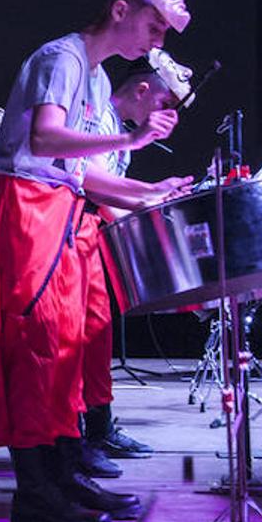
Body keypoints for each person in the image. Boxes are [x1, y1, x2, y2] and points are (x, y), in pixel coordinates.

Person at [0, 0, 191, 522]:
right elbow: (44, 139)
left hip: (57, 210)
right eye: (154, 25)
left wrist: (149, 190)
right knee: (34, 345)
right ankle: (36, 492)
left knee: (66, 349)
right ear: (121, 10)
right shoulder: (61, 58)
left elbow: (80, 172)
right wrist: (132, 137)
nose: (157, 38)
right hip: (24, 208)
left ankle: (64, 473)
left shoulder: (93, 75)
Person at [77, 48, 194, 476]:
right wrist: (153, 195)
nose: (165, 117)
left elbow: (113, 197)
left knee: (98, 333)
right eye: (164, 104)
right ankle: (75, 438)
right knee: (78, 338)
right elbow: (94, 185)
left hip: (91, 236)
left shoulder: (116, 124)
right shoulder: (101, 120)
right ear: (143, 90)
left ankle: (98, 427)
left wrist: (155, 205)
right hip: (72, 231)